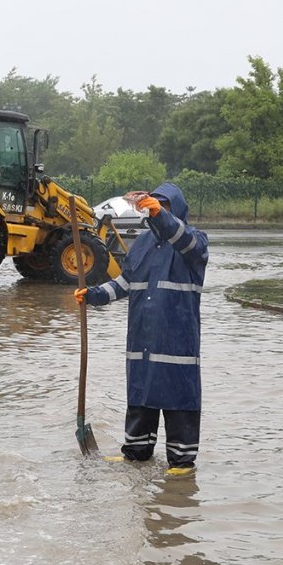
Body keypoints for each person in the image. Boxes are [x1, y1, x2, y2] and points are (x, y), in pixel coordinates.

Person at [75, 182, 208, 477]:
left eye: (164, 206)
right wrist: (93, 295)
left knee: (179, 400)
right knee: (140, 397)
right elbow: (124, 284)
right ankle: (136, 455)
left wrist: (161, 213)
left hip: (177, 344)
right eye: (153, 205)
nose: (156, 211)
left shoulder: (195, 241)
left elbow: (182, 238)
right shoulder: (143, 244)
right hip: (142, 340)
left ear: (177, 210)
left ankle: (181, 463)